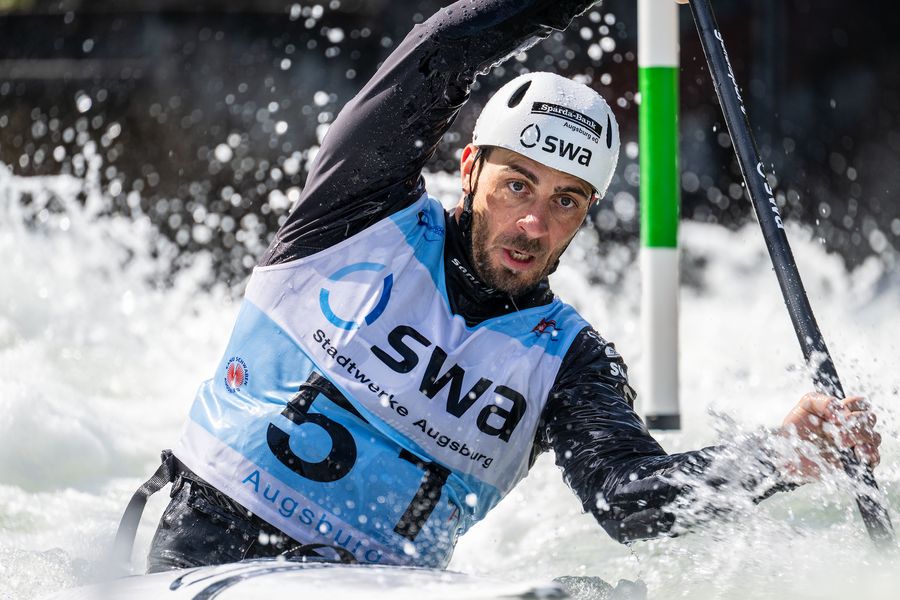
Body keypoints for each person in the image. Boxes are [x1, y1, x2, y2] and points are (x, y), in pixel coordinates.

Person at [129, 0, 881, 572]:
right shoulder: (356, 213)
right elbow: (441, 51)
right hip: (207, 547)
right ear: (469, 169)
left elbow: (628, 499)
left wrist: (779, 455)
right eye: (517, 184)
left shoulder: (568, 362)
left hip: (375, 583)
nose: (532, 224)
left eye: (565, 202)